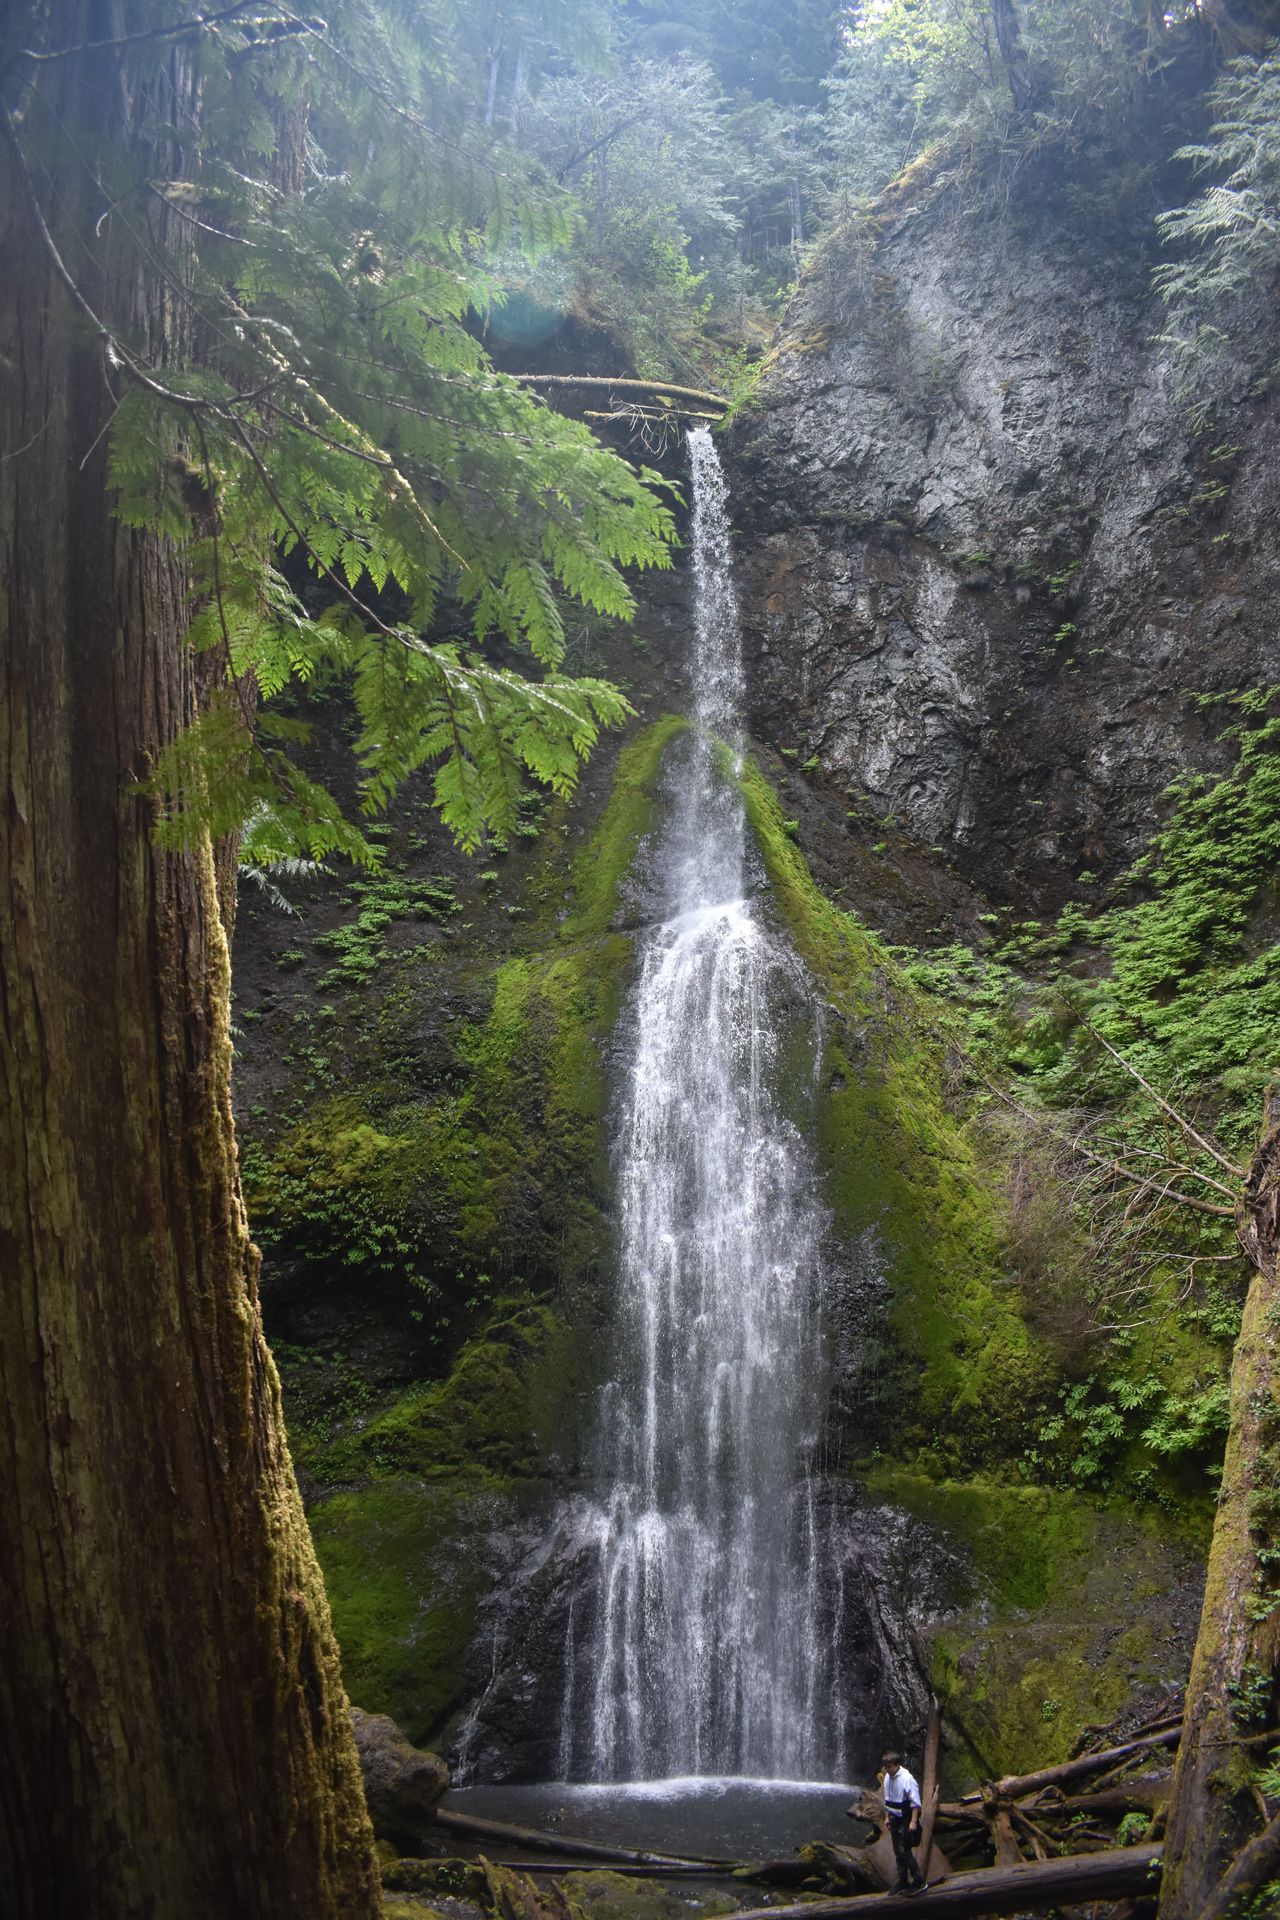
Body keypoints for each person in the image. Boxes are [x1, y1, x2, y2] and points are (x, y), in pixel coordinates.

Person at [880, 1749, 927, 1895]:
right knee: (897, 1851)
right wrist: (887, 1817)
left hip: (906, 1818)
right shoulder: (888, 1777)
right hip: (894, 1817)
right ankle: (902, 1880)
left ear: (896, 1764)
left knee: (904, 1851)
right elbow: (888, 1799)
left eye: (889, 1766)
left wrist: (913, 1821)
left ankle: (919, 1881)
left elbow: (915, 1803)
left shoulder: (907, 1778)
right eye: (886, 1767)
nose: (887, 1770)